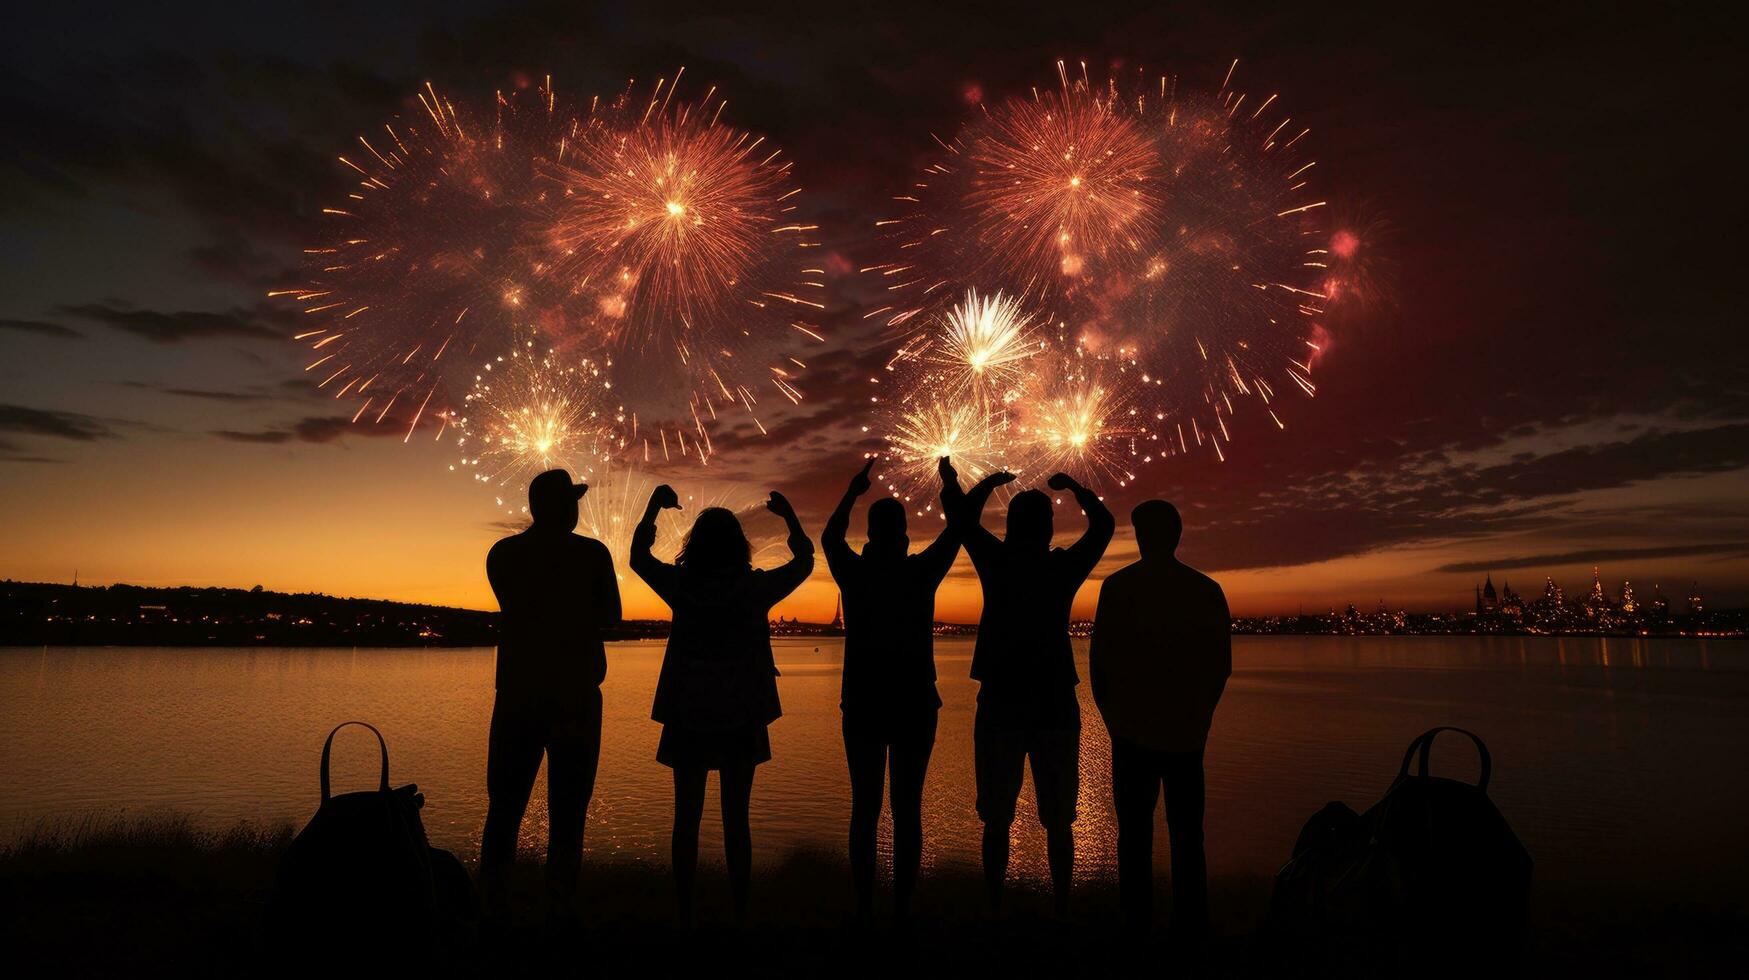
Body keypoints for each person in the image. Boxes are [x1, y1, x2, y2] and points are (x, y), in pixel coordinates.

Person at [630, 483, 814, 925]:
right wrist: (789, 517)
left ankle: (684, 912)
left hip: (688, 709)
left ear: (695, 545)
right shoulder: (753, 589)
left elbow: (638, 558)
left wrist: (654, 507)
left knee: (686, 817)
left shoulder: (681, 585)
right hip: (742, 711)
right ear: (738, 546)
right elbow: (804, 563)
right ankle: (740, 912)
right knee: (737, 818)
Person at [947, 468, 1114, 915]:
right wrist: (1078, 488)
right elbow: (1104, 528)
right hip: (1054, 699)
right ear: (1049, 529)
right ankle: (1061, 908)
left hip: (1001, 698)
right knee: (1059, 816)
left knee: (996, 815)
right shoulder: (1061, 568)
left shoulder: (996, 561)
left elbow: (962, 520)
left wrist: (984, 485)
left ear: (1009, 527)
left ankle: (994, 906)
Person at [821, 456, 962, 921]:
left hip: (862, 703)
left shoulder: (855, 575)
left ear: (869, 537)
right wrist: (949, 485)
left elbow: (829, 538)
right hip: (916, 704)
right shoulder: (920, 573)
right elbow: (957, 531)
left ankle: (864, 904)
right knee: (908, 808)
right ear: (903, 538)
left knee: (864, 808)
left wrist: (852, 490)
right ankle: (903, 906)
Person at [479, 468, 622, 925]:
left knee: (503, 806)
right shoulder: (592, 555)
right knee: (569, 810)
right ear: (565, 507)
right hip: (576, 695)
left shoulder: (503, 554)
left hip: (518, 694)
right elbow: (612, 617)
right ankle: (559, 909)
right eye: (574, 501)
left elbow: (517, 606)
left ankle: (492, 908)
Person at [1090, 499, 1230, 938]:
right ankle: (1190, 926)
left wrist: (1114, 722)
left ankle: (1136, 927)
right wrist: (1201, 717)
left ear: (1141, 535)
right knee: (1188, 837)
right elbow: (1219, 666)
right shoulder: (1206, 590)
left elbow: (1100, 665)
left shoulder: (1117, 587)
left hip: (1132, 734)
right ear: (1177, 534)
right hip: (1186, 734)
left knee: (1134, 837)